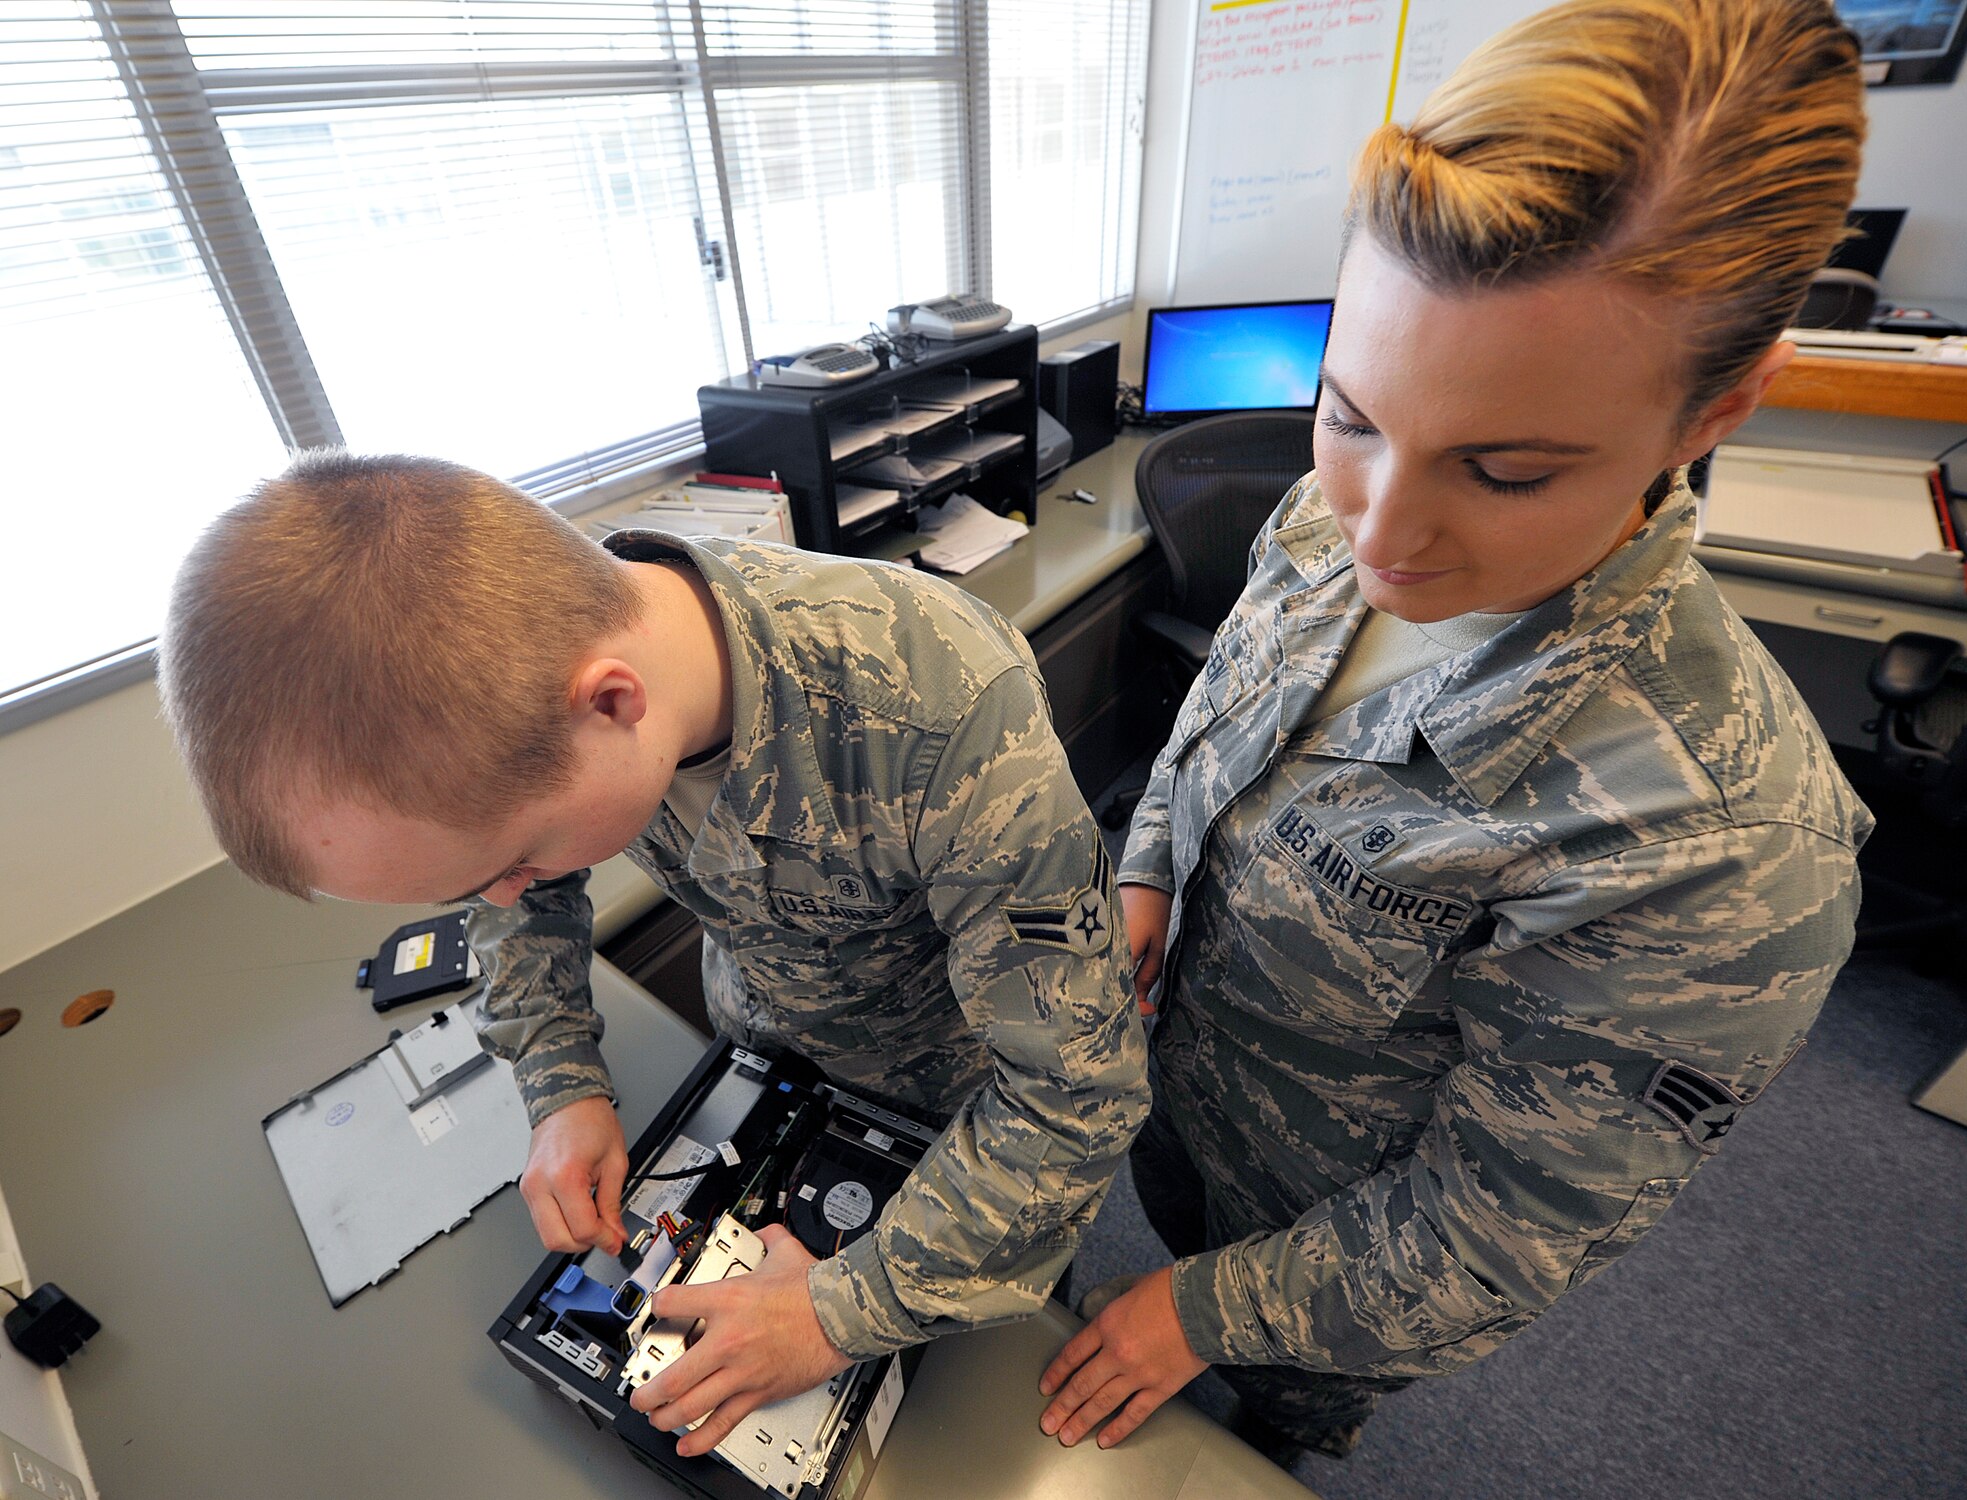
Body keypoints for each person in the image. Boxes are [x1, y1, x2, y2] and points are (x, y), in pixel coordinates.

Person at [1037, 0, 1872, 1464]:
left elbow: (1500, 1233)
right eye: (1350, 413)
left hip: (1334, 1261)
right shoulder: (1333, 514)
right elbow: (1216, 717)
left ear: (1714, 412)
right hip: (1177, 1112)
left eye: (1502, 470)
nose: (1382, 529)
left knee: (1262, 1442)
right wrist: (1150, 868)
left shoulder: (1717, 848)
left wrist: (1203, 1316)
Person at [157, 455, 1147, 1456]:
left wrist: (839, 1311)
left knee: (963, 1423)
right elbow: (523, 902)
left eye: (513, 858)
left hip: (963, 1129)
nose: (506, 893)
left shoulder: (942, 710)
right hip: (763, 1059)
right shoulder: (528, 686)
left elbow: (1073, 1096)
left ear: (614, 705)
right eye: (467, 886)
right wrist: (559, 1086)